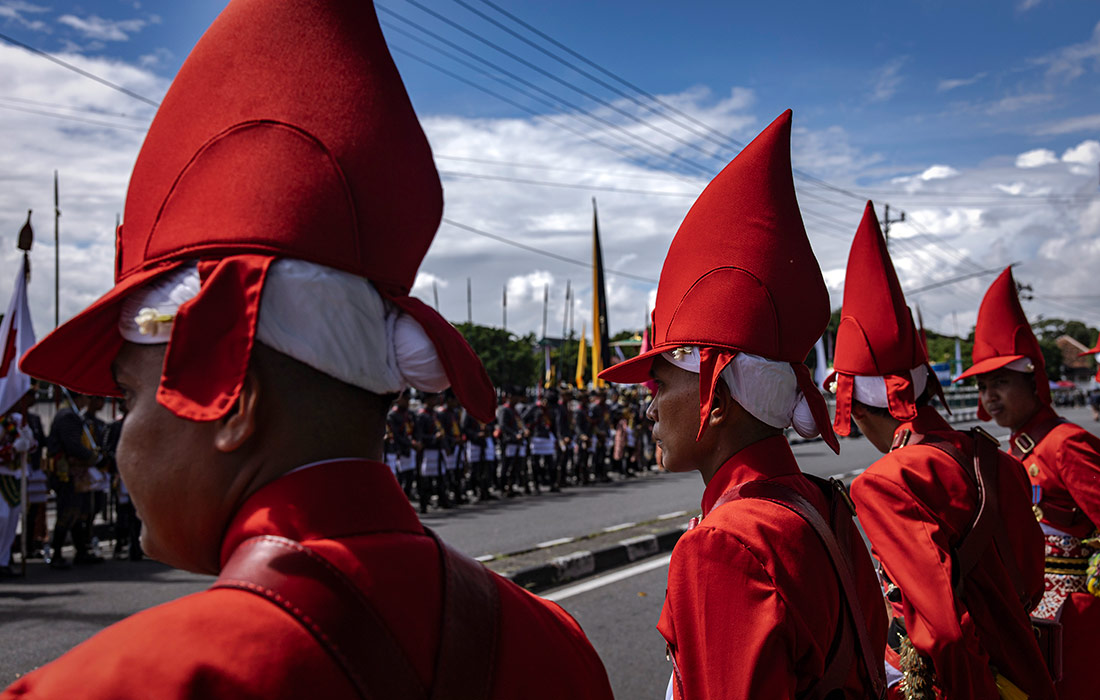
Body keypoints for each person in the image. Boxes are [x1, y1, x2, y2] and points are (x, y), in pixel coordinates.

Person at [4, 1, 612, 697]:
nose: (125, 435)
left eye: (132, 395)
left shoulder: (118, 685)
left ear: (231, 399)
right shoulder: (554, 644)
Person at [600, 110, 886, 699]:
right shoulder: (821, 502)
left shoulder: (725, 543)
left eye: (659, 385)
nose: (648, 409)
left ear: (719, 397)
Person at [828, 205, 1053, 699]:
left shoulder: (886, 481)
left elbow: (945, 635)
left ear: (857, 408)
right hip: (1025, 673)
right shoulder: (993, 456)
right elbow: (1031, 583)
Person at [954, 266, 1100, 700]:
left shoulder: (1065, 444)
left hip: (1078, 618)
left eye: (1000, 382)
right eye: (982, 385)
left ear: (1033, 381)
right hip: (1032, 620)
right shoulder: (1016, 450)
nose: (989, 397)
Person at [44, 392, 99, 568]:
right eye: (87, 397)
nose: (88, 401)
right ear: (80, 398)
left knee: (77, 512)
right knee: (67, 512)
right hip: (66, 473)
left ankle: (81, 550)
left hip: (74, 473)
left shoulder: (70, 414)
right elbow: (73, 445)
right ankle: (57, 552)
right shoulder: (68, 416)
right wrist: (94, 457)